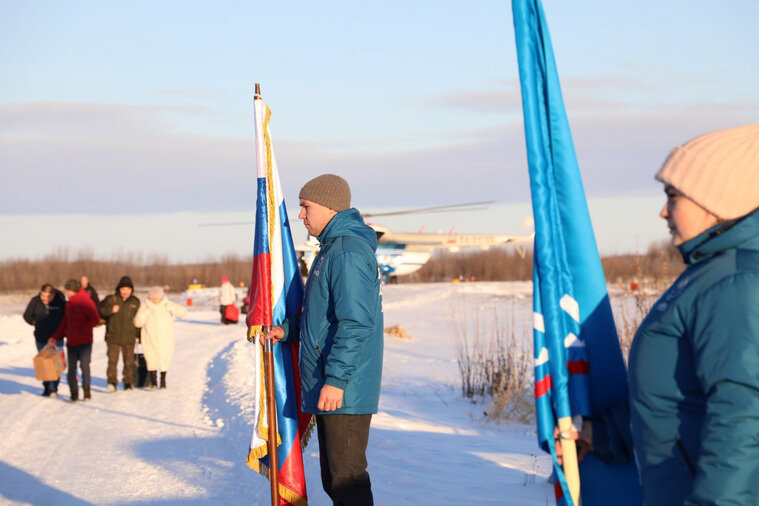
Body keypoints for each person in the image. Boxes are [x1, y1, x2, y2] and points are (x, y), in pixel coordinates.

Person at [563, 125, 759, 505]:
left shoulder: (734, 284)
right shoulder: (708, 275)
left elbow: (744, 418)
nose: (663, 211)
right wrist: (602, 434)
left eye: (673, 197)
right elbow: (678, 396)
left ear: (716, 200)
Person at [265, 174, 383, 505]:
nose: (300, 215)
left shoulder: (346, 252)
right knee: (335, 480)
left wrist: (336, 379)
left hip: (344, 387)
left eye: (305, 207)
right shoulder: (331, 249)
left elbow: (356, 323)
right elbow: (324, 318)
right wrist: (287, 330)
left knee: (348, 482)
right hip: (332, 385)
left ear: (329, 207)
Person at [50, 279, 101, 401]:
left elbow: (95, 319)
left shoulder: (87, 302)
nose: (66, 293)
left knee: (84, 366)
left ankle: (87, 392)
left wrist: (82, 329)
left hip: (85, 342)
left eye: (68, 291)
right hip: (72, 342)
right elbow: (64, 322)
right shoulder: (69, 304)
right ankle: (74, 393)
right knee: (71, 369)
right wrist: (55, 337)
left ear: (73, 290)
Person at [133, 286, 187, 389]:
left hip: (165, 338)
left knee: (164, 359)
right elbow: (137, 323)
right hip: (149, 338)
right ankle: (153, 382)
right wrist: (144, 314)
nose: (155, 300)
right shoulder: (145, 306)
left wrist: (172, 308)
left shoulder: (167, 304)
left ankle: (163, 380)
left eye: (157, 298)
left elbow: (183, 312)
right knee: (151, 359)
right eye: (153, 298)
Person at [23, 283, 66, 397]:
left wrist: (62, 331)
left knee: (55, 364)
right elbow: (27, 315)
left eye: (48, 296)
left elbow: (66, 318)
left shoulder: (60, 302)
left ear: (53, 295)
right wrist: (34, 322)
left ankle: (53, 387)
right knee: (44, 364)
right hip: (41, 338)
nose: (45, 298)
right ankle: (46, 385)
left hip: (57, 338)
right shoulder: (35, 301)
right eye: (43, 295)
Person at [100, 276, 141, 391]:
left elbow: (138, 320)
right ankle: (112, 382)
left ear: (131, 290)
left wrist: (139, 335)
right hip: (113, 336)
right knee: (112, 361)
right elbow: (100, 311)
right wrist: (110, 311)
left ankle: (128, 382)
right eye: (123, 289)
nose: (125, 292)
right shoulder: (111, 299)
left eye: (127, 289)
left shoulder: (135, 302)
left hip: (129, 336)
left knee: (128, 362)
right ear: (119, 289)